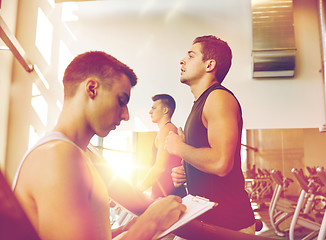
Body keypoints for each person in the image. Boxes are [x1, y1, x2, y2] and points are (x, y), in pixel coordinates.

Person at [12, 51, 186, 240]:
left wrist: (120, 231)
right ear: (92, 89)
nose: (126, 115)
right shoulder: (58, 156)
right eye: (121, 101)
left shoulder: (80, 153)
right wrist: (150, 222)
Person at [165, 35, 256, 234]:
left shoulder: (218, 98)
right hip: (206, 220)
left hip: (230, 225)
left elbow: (220, 163)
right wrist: (187, 170)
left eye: (191, 56)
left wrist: (178, 147)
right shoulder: (200, 103)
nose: (182, 60)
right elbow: (207, 159)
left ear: (209, 65)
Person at [138, 94, 187, 198]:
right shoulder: (168, 129)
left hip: (168, 194)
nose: (150, 112)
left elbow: (159, 167)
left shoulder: (166, 130)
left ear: (165, 110)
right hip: (168, 192)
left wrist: (137, 191)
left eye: (154, 108)